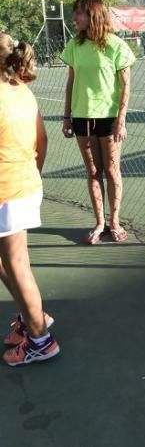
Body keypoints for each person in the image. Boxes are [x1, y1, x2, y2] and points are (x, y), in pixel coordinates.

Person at [0, 33, 60, 366]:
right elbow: (43, 140)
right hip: (22, 185)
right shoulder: (21, 90)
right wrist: (33, 175)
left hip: (7, 191)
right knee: (11, 262)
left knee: (16, 264)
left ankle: (41, 340)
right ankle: (32, 317)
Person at [60, 0, 135, 244]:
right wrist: (67, 117)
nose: (75, 18)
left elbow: (125, 87)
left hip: (110, 119)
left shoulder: (116, 45)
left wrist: (120, 120)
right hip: (82, 118)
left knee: (112, 171)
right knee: (93, 172)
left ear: (94, 15)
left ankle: (115, 222)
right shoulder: (74, 45)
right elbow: (71, 83)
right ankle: (99, 223)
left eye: (79, 13)